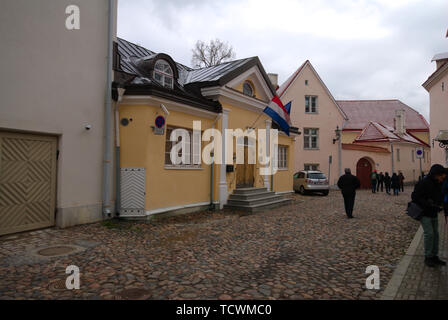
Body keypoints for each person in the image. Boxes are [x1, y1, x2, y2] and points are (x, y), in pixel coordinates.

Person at [411, 164, 447, 267]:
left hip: (433, 212)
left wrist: (439, 204)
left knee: (436, 234)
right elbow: (415, 197)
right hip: (424, 212)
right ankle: (428, 257)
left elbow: (440, 196)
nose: (442, 179)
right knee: (429, 234)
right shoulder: (423, 183)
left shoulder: (438, 183)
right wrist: (428, 203)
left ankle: (434, 256)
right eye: (441, 177)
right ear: (435, 175)